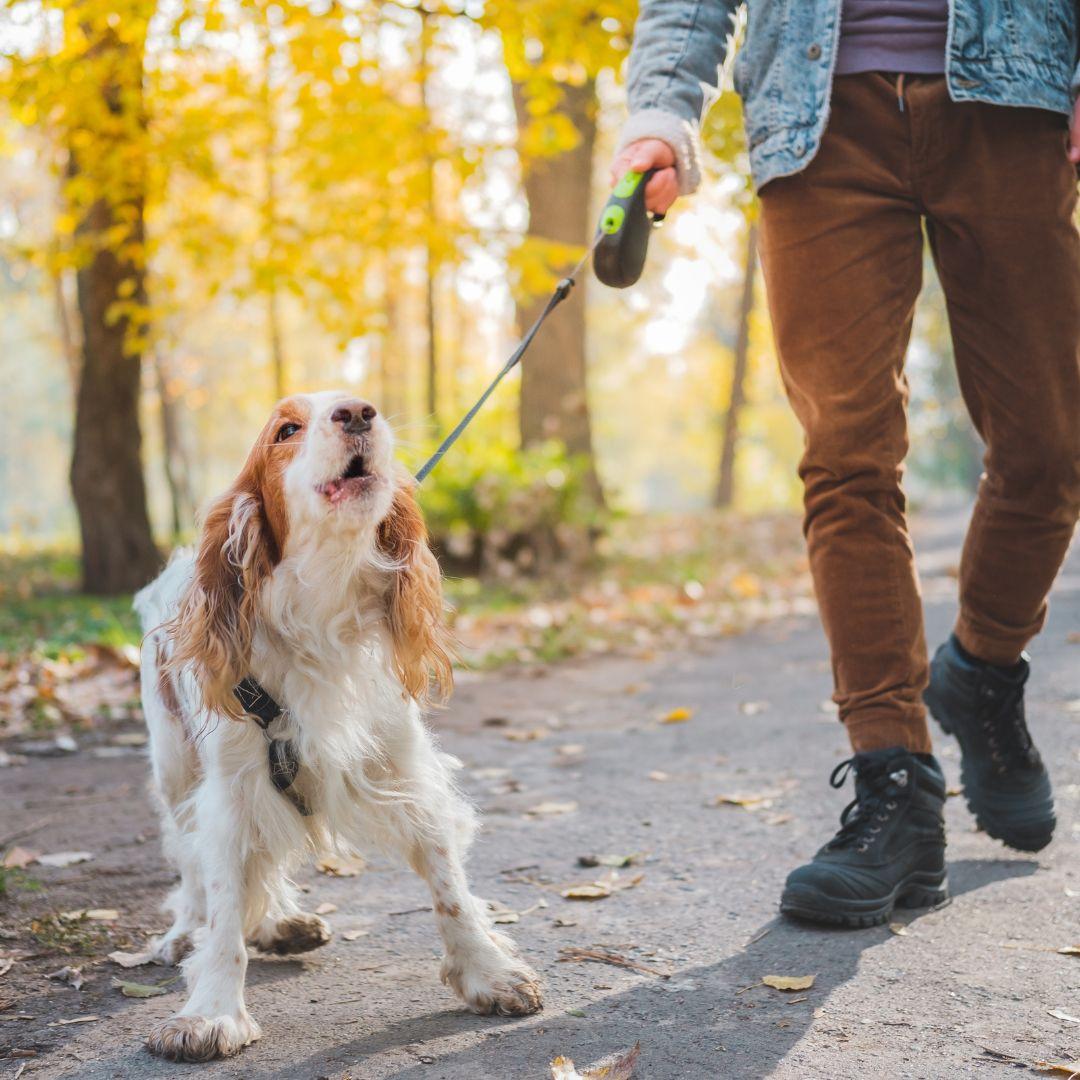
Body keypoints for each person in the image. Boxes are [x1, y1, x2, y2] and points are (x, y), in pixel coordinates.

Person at [610, 1, 1080, 927]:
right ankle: (894, 779)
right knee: (846, 460)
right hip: (814, 117)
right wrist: (662, 113)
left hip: (1011, 100)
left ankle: (982, 669)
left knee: (1050, 446)